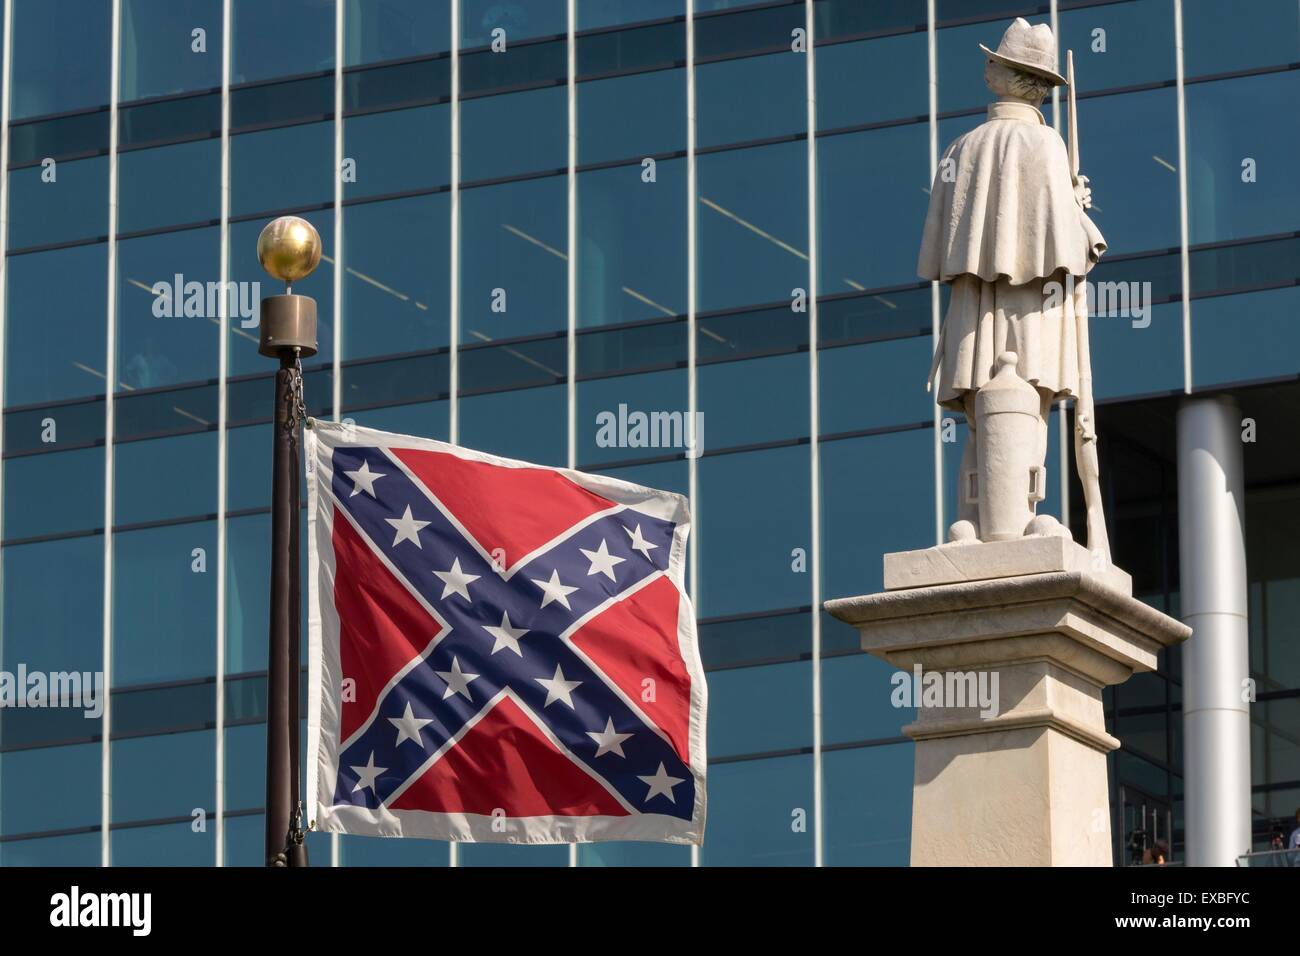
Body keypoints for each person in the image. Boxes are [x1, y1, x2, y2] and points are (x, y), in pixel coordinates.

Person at [919, 17, 1105, 546]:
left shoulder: (960, 149)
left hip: (976, 303)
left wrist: (1071, 205)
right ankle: (1021, 516)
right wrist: (1079, 211)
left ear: (1014, 76)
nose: (987, 65)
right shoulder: (1045, 147)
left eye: (996, 60)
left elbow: (944, 242)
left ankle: (971, 523)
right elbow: (1071, 247)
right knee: (1030, 408)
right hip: (1034, 302)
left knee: (981, 412)